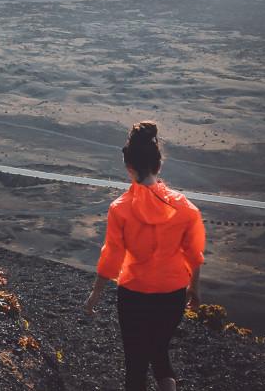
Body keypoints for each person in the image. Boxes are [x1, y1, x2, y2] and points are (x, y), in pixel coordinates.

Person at [84, 121, 206, 391]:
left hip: (134, 295)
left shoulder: (120, 209)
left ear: (129, 167)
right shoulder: (186, 208)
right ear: (159, 165)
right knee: (160, 352)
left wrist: (95, 293)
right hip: (172, 295)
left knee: (136, 365)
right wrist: (194, 289)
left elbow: (112, 255)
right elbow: (194, 253)